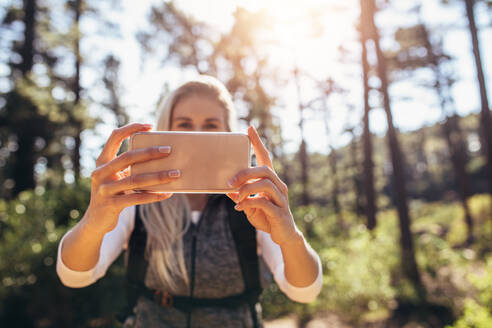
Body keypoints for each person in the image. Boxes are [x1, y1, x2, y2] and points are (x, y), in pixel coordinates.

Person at [56, 75, 322, 328]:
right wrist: (93, 222)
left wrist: (290, 237)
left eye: (210, 126)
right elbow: (75, 276)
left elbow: (304, 291)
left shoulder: (252, 199)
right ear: (166, 130)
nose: (197, 136)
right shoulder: (137, 198)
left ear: (229, 133)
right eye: (184, 125)